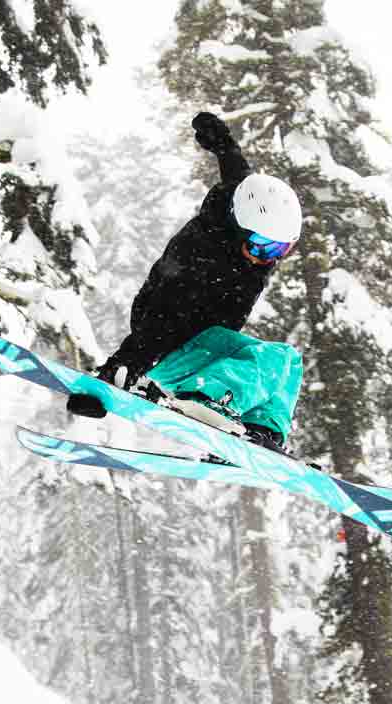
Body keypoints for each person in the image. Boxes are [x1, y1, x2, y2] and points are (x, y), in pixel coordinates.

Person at [68, 111, 304, 451]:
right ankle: (206, 398)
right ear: (239, 226)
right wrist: (117, 372)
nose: (268, 257)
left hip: (206, 342)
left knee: (288, 361)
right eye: (262, 245)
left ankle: (261, 431)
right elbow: (161, 318)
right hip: (172, 344)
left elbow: (240, 177)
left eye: (281, 248)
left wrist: (224, 145)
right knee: (271, 360)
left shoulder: (245, 214)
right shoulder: (200, 258)